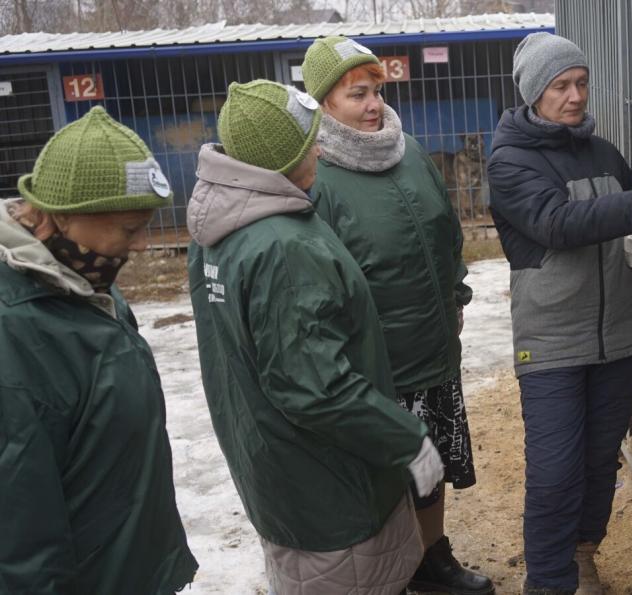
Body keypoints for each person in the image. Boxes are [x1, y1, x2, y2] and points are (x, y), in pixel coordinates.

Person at [186, 79, 443, 595]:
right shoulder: (281, 245)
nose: (321, 151)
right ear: (280, 159)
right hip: (328, 487)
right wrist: (406, 438)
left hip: (276, 471)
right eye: (309, 145)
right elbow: (314, 387)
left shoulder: (219, 227)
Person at [486, 32, 632, 595]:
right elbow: (558, 225)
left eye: (581, 82)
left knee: (599, 460)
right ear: (534, 91)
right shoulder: (510, 159)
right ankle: (550, 582)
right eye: (561, 85)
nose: (575, 95)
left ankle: (583, 559)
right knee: (555, 473)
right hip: (554, 340)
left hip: (621, 335)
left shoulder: (604, 152)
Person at [302, 36, 494, 595]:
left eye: (376, 91)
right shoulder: (317, 174)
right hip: (374, 364)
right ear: (322, 104)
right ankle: (396, 569)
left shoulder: (405, 149)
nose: (372, 105)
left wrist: (455, 294)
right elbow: (317, 276)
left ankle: (433, 558)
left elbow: (446, 233)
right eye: (356, 94)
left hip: (432, 346)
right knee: (388, 477)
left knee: (430, 469)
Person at [0, 106, 199, 593]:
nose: (140, 246)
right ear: (60, 219)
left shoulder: (85, 289)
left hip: (131, 564)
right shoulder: (16, 333)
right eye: (129, 229)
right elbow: (21, 538)